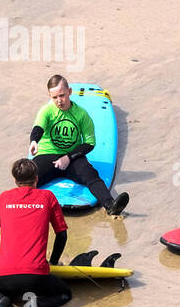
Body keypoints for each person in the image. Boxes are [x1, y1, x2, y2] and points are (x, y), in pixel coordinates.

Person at [0, 158, 73, 307]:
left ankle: (1, 301)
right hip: (36, 277)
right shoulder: (48, 197)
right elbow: (62, 234)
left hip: (4, 277)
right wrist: (53, 261)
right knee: (65, 293)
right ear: (37, 178)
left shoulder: (3, 198)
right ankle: (37, 306)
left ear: (15, 180)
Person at [28, 74, 128, 215]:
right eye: (54, 97)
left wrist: (68, 157)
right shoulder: (46, 111)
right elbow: (38, 128)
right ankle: (10, 204)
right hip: (47, 154)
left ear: (69, 92)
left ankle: (111, 205)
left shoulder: (81, 114)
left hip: (72, 156)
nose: (59, 101)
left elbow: (89, 143)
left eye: (62, 95)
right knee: (28, 176)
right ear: (49, 96)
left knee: (91, 174)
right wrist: (34, 141)